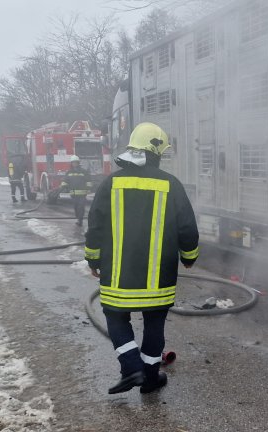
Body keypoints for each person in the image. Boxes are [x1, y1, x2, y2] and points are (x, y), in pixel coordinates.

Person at [84, 122, 199, 394]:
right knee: (155, 322)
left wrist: (93, 260)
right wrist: (189, 257)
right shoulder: (171, 184)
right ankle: (149, 378)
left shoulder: (110, 183)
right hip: (158, 277)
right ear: (156, 152)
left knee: (115, 317)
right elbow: (187, 228)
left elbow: (96, 226)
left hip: (118, 274)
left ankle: (131, 366)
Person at [61, 155, 92, 226]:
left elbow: (88, 181)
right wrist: (63, 187)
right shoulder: (69, 172)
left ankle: (80, 220)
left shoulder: (84, 172)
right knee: (75, 207)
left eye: (76, 162)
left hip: (82, 193)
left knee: (81, 206)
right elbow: (65, 181)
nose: (74, 164)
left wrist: (88, 189)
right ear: (71, 163)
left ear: (78, 163)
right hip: (73, 194)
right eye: (73, 162)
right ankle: (78, 217)